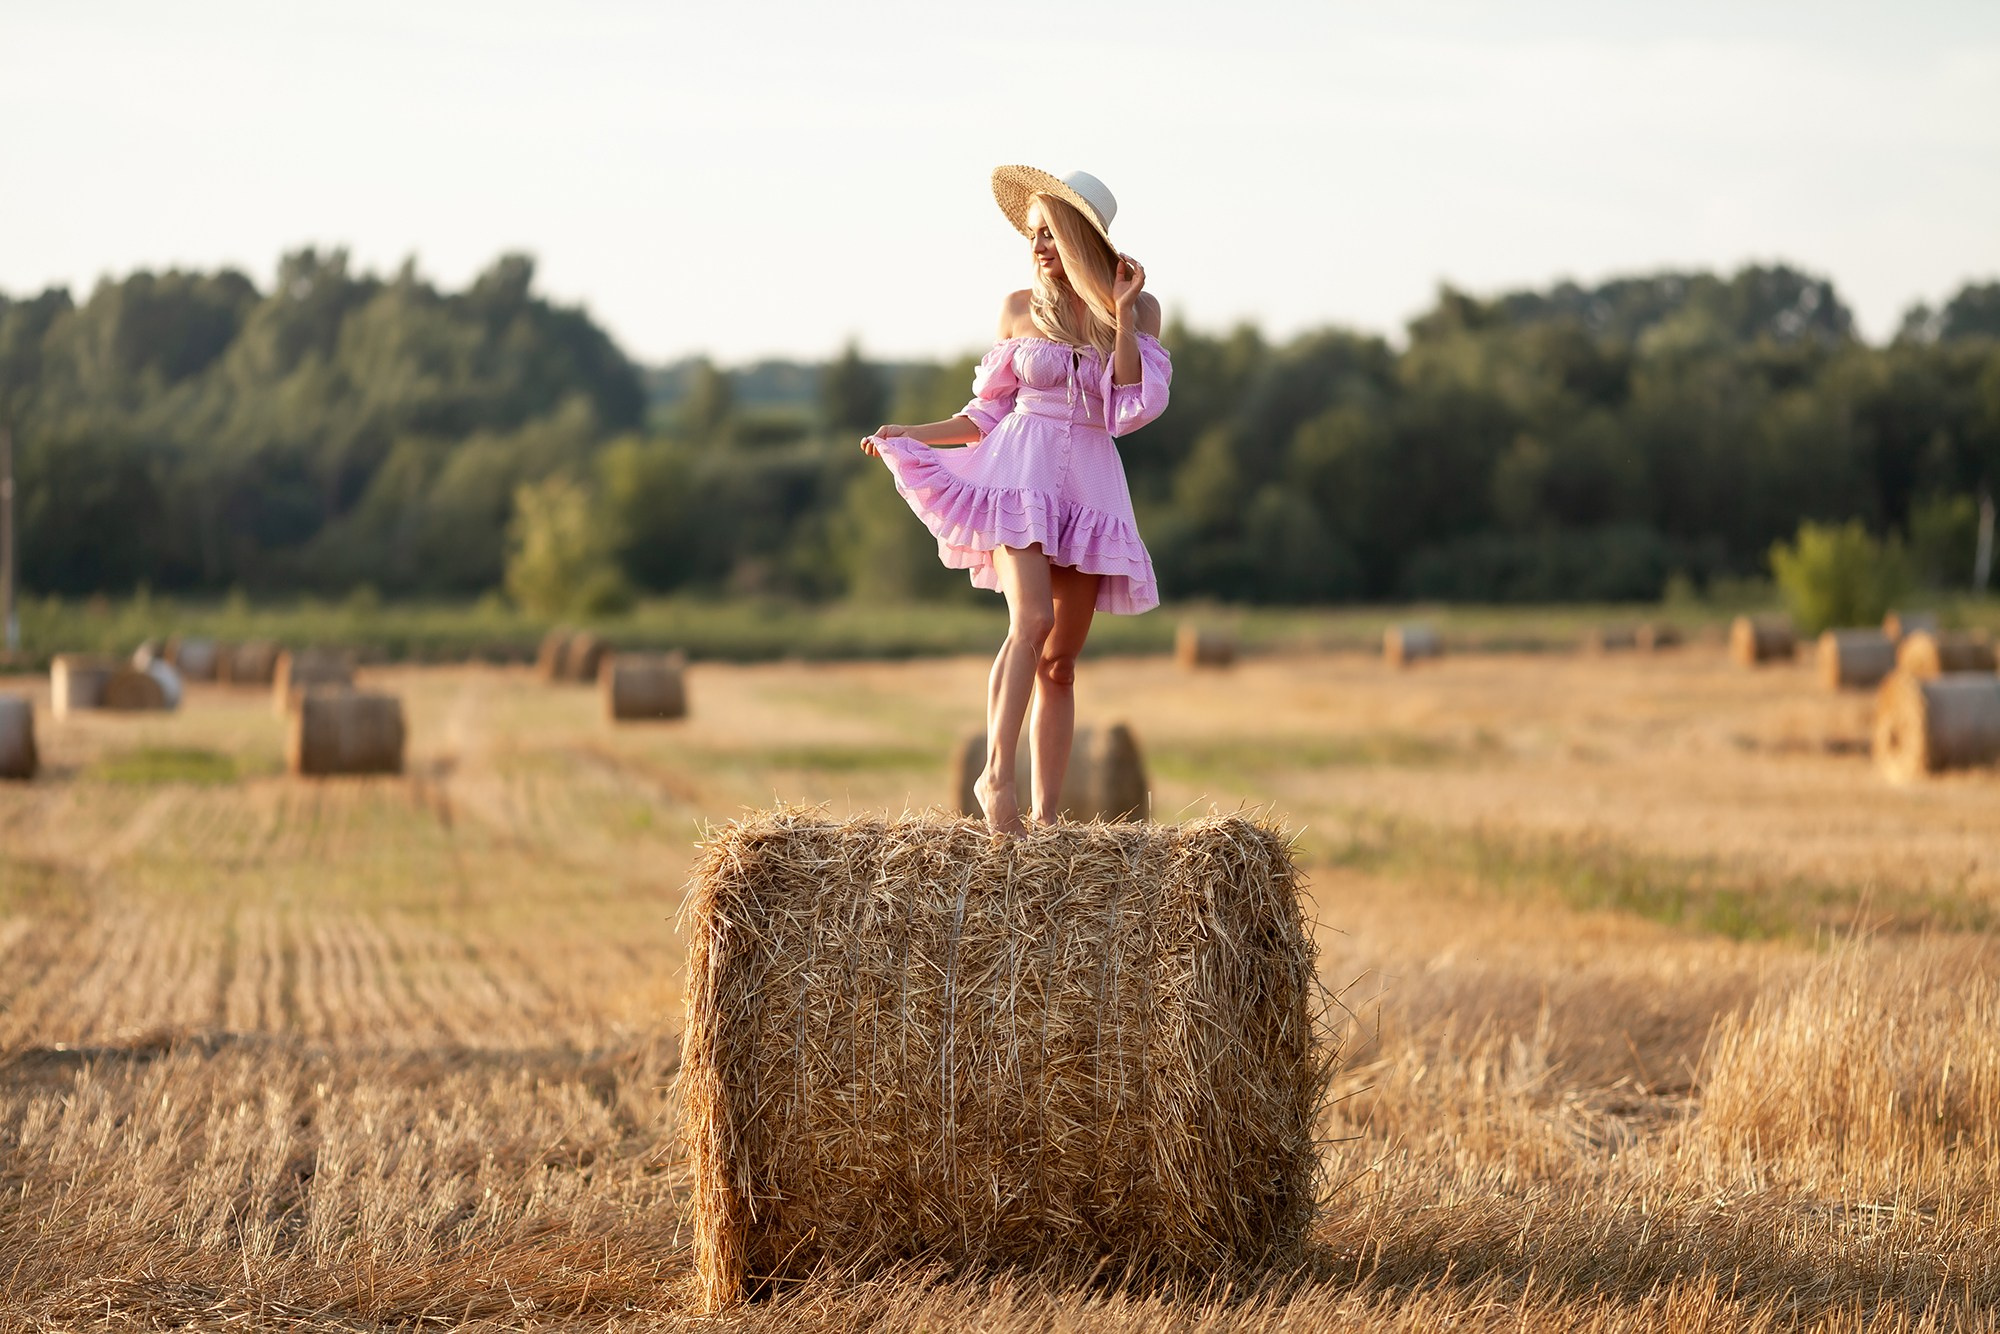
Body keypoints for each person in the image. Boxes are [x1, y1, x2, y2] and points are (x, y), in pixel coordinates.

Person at [861, 166, 1169, 834]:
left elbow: (1129, 404)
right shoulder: (1015, 310)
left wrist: (1119, 314)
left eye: (1051, 235)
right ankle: (996, 778)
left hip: (1088, 489)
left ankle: (1048, 817)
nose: (1039, 248)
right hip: (1018, 478)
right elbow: (985, 415)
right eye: (1034, 236)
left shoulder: (1137, 311)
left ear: (1083, 238)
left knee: (1060, 664)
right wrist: (911, 434)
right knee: (1028, 621)